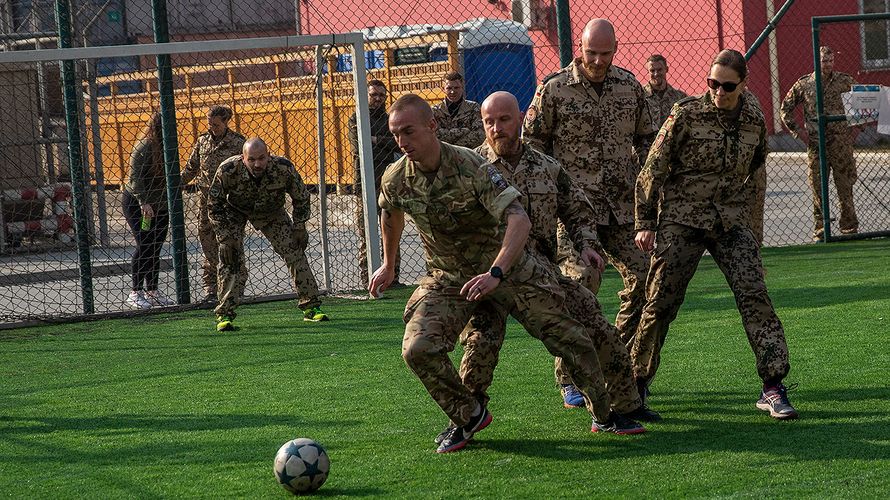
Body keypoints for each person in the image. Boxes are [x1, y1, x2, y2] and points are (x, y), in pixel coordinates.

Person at [370, 94, 646, 454]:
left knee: (573, 337)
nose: (402, 141)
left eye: (408, 131)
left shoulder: (472, 167)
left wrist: (497, 272)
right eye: (395, 134)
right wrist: (389, 264)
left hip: (511, 269)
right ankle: (468, 415)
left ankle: (606, 414)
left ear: (431, 126)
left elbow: (521, 219)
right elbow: (390, 213)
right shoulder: (396, 177)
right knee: (420, 348)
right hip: (451, 279)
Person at [453, 91, 658, 428]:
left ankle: (626, 405)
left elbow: (577, 210)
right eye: (489, 122)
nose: (497, 128)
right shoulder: (471, 168)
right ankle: (466, 420)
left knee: (597, 327)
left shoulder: (546, 167)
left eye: (504, 120)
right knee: (479, 346)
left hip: (540, 276)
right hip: (492, 279)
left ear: (520, 119)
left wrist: (587, 244)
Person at [632, 49, 797, 420]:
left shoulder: (754, 119)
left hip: (730, 223)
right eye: (712, 83)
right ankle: (636, 385)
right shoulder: (686, 114)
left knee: (755, 295)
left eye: (726, 85)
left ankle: (773, 386)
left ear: (743, 84)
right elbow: (651, 170)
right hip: (682, 218)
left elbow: (755, 181)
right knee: (660, 303)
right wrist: (645, 223)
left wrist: (754, 240)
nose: (718, 92)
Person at [524, 18, 657, 367]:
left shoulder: (629, 86)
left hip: (620, 210)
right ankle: (570, 372)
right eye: (590, 53)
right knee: (580, 285)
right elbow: (532, 144)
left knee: (648, 279)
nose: (597, 61)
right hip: (574, 213)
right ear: (579, 50)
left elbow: (648, 140)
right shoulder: (553, 89)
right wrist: (547, 194)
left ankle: (617, 360)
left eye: (605, 53)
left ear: (615, 50)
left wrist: (648, 185)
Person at [208, 138, 329, 331]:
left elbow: (301, 197)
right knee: (230, 258)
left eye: (262, 158)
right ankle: (224, 315)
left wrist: (299, 226)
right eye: (252, 160)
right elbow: (214, 205)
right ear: (243, 158)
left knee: (294, 252)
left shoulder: (284, 168)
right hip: (235, 211)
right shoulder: (227, 170)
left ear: (269, 155)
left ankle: (311, 307)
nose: (257, 164)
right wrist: (225, 237)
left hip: (272, 212)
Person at [780, 46, 859, 241]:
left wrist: (857, 128)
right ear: (816, 61)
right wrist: (798, 132)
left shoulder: (844, 81)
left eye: (831, 60)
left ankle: (849, 228)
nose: (828, 64)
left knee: (845, 187)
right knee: (818, 188)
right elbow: (785, 109)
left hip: (841, 144)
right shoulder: (805, 84)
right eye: (824, 61)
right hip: (816, 144)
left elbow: (861, 101)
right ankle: (821, 229)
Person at [182, 105, 247, 303]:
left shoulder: (238, 143)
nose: (212, 128)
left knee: (231, 242)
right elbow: (191, 168)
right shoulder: (202, 141)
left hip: (229, 203)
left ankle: (236, 285)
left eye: (216, 125)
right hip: (206, 201)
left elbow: (245, 172)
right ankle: (211, 288)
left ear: (226, 122)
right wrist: (174, 183)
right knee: (207, 243)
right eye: (209, 124)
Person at [347, 80, 401, 286]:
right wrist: (383, 143)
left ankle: (393, 277)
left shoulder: (390, 119)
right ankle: (366, 277)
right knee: (366, 233)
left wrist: (376, 140)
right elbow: (358, 147)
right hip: (364, 182)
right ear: (365, 96)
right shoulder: (357, 118)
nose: (377, 98)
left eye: (381, 95)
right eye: (373, 95)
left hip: (388, 182)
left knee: (391, 232)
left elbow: (397, 144)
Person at [122, 112, 175, 309]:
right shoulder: (144, 147)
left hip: (160, 205)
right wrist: (143, 201)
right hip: (139, 204)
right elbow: (135, 177)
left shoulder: (168, 146)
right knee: (144, 245)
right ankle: (135, 292)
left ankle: (152, 291)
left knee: (156, 247)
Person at [431, 72, 485, 148]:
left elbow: (479, 135)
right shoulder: (435, 111)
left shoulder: (473, 107)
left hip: (469, 155)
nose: (452, 92)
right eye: (449, 88)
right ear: (443, 89)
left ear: (462, 87)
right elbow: (433, 135)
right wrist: (465, 131)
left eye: (456, 88)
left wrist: (452, 147)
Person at [643, 54, 688, 128]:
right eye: (652, 70)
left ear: (666, 69)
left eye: (659, 70)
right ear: (647, 71)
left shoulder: (680, 98)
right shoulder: (640, 95)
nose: (656, 74)